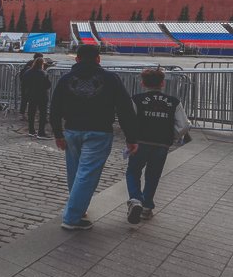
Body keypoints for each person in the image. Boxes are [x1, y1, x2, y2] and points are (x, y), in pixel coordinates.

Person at [50, 44, 138, 230]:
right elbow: (125, 109)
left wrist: (58, 133)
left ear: (77, 59)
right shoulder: (110, 79)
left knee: (74, 173)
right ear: (98, 59)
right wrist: (131, 138)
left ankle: (79, 210)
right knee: (87, 174)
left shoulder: (66, 79)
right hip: (99, 131)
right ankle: (72, 218)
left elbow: (55, 107)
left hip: (72, 131)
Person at [124, 68, 190, 223]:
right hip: (161, 144)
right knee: (153, 175)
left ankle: (135, 199)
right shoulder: (173, 102)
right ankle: (147, 207)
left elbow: (129, 121)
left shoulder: (136, 99)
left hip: (140, 142)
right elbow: (184, 125)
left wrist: (130, 139)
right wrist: (171, 136)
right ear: (162, 83)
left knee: (133, 172)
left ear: (142, 83)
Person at [22, 57, 52, 138]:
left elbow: (24, 82)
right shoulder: (44, 73)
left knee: (31, 113)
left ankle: (31, 131)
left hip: (31, 95)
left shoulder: (28, 72)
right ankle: (41, 132)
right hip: (42, 96)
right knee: (43, 114)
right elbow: (48, 85)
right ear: (42, 64)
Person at [19, 53, 44, 120]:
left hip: (25, 86)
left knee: (24, 100)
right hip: (32, 87)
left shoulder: (28, 65)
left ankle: (23, 114)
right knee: (33, 102)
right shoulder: (37, 67)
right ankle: (31, 115)